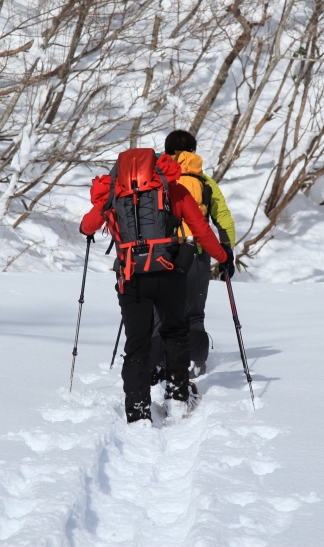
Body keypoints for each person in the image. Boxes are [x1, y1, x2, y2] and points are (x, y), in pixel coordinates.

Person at [80, 149, 235, 424]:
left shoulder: (115, 193)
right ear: (156, 168)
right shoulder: (172, 190)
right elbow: (201, 230)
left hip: (131, 278)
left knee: (136, 344)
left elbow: (87, 225)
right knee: (175, 333)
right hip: (168, 274)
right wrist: (224, 258)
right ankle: (177, 399)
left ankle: (137, 411)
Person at [162, 129, 237, 377]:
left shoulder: (155, 177)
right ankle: (194, 363)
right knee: (193, 312)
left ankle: (158, 361)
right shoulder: (204, 181)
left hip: (161, 251)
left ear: (166, 150)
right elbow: (222, 216)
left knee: (160, 308)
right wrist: (227, 250)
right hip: (197, 252)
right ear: (193, 151)